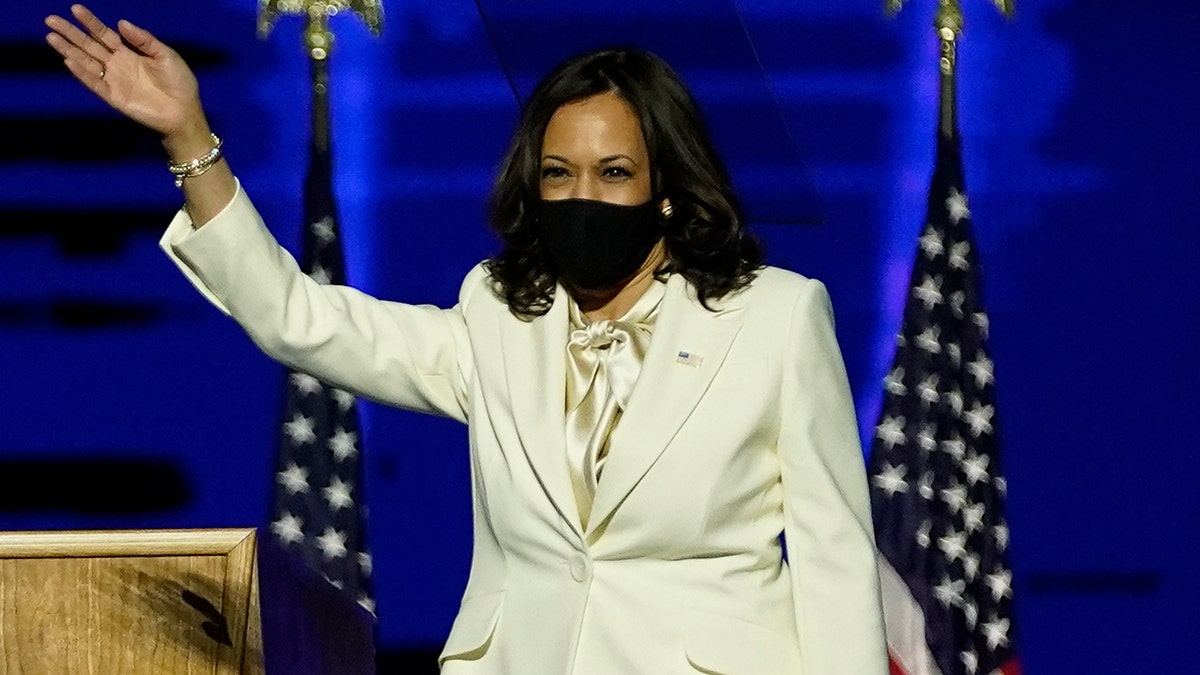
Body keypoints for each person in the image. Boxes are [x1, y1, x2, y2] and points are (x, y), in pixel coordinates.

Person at [46, 5, 887, 673]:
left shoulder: (775, 317)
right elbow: (300, 319)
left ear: (667, 189)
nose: (581, 195)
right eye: (559, 174)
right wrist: (191, 140)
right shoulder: (497, 314)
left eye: (615, 173)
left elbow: (836, 563)